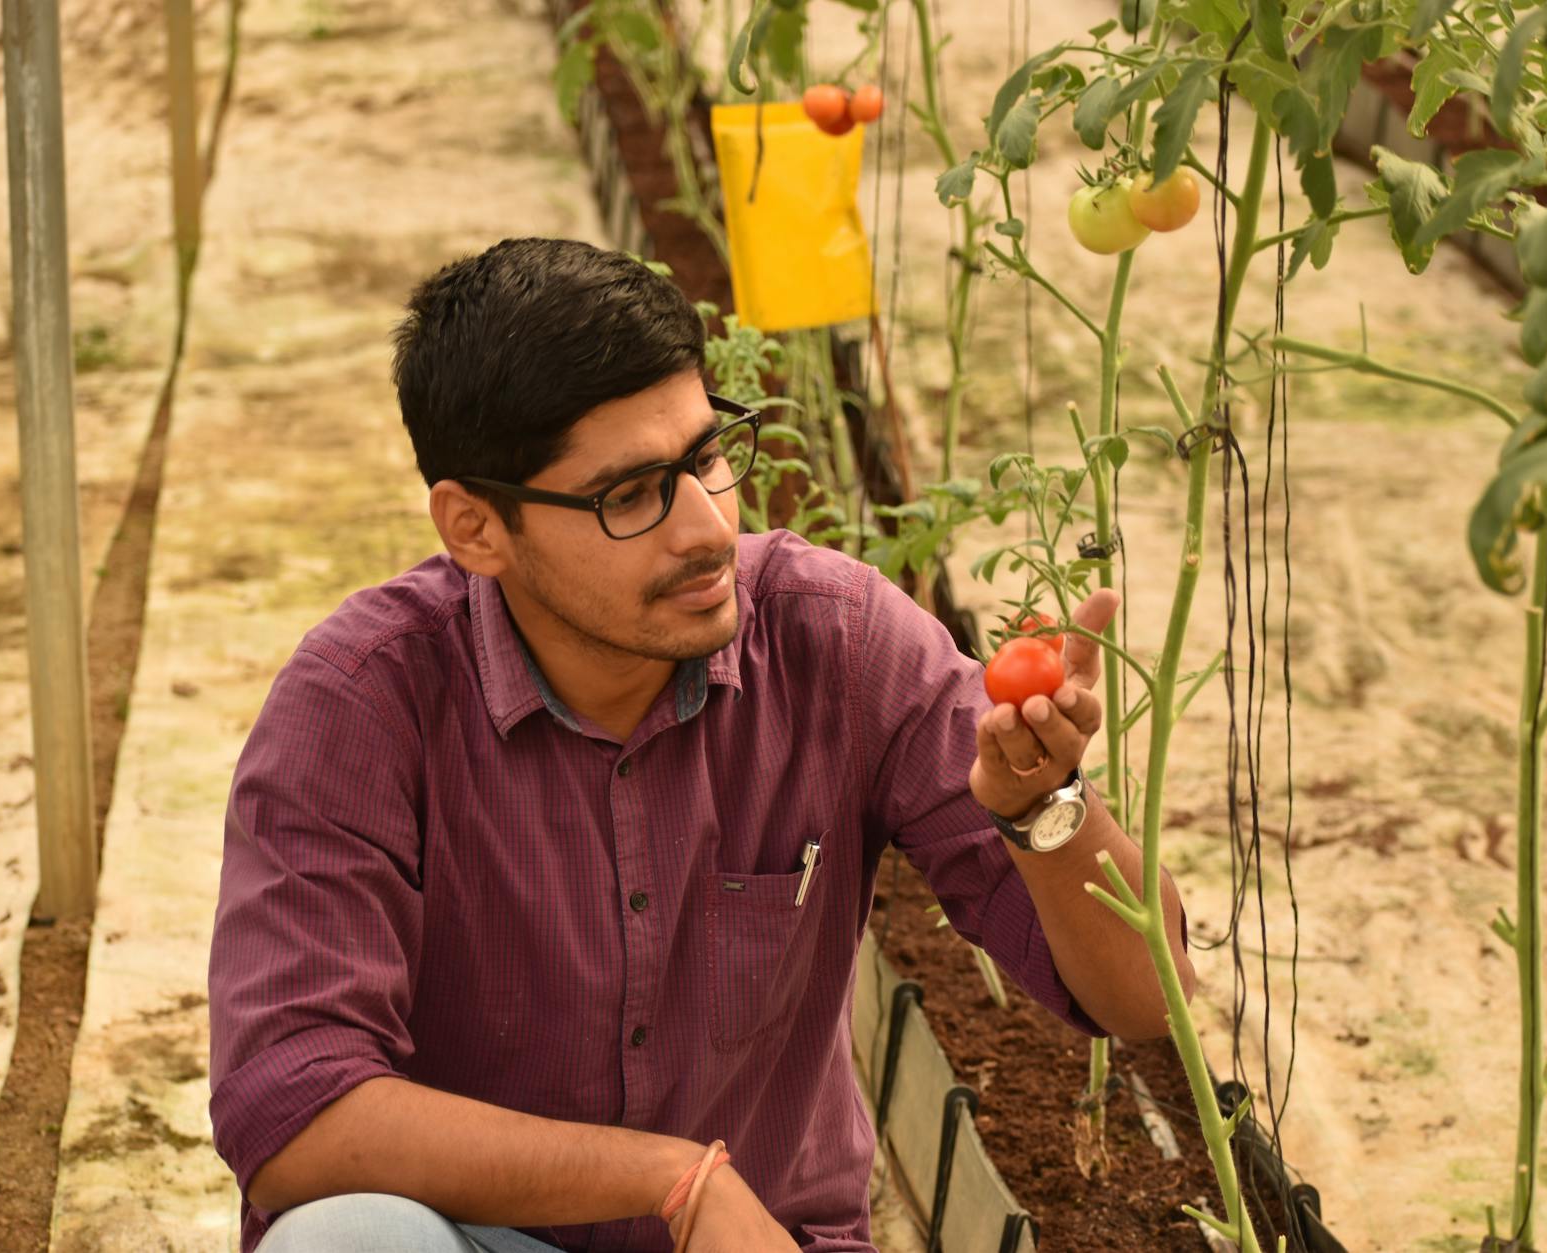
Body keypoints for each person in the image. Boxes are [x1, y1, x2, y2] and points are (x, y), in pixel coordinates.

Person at [207, 238, 1195, 1253]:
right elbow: (291, 1108)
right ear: (475, 529)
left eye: (705, 458)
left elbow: (1143, 998)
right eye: (628, 495)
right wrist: (671, 1178)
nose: (707, 528)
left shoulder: (836, 642)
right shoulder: (363, 705)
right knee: (346, 1238)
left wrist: (1044, 810)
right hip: (490, 1238)